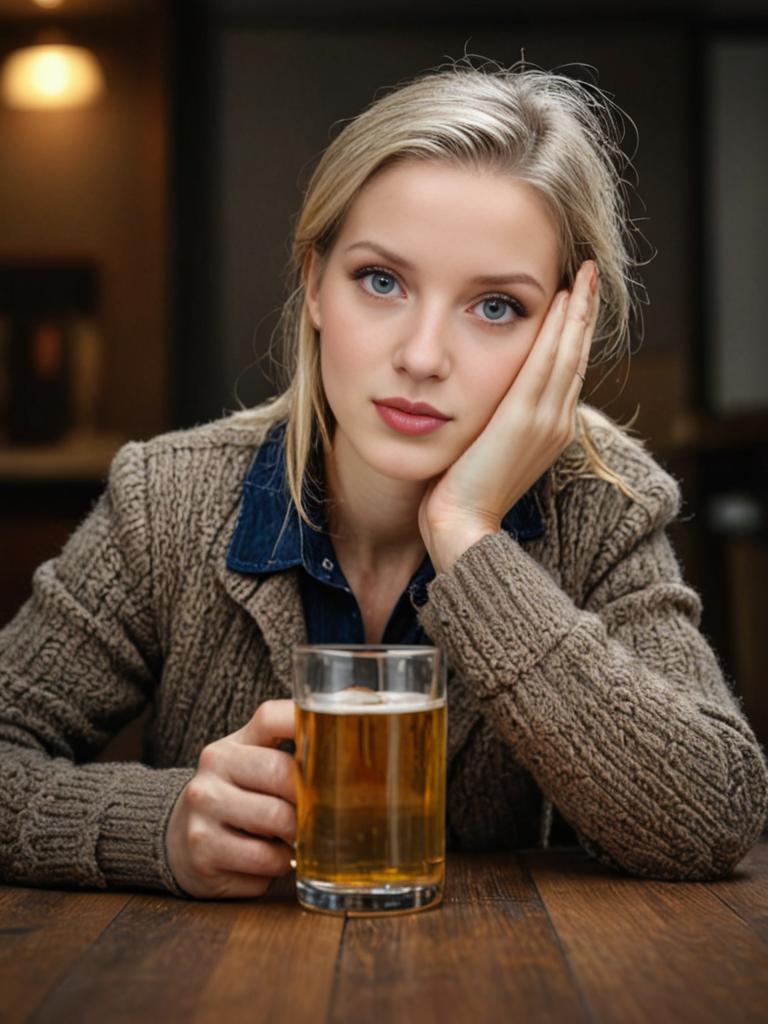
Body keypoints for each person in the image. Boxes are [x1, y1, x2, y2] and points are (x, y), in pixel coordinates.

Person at [1, 57, 766, 901]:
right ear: (315, 284)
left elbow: (713, 813)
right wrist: (159, 826)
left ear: (563, 335)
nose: (423, 356)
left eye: (496, 306)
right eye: (381, 281)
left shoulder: (600, 504)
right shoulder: (170, 499)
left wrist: (469, 535)